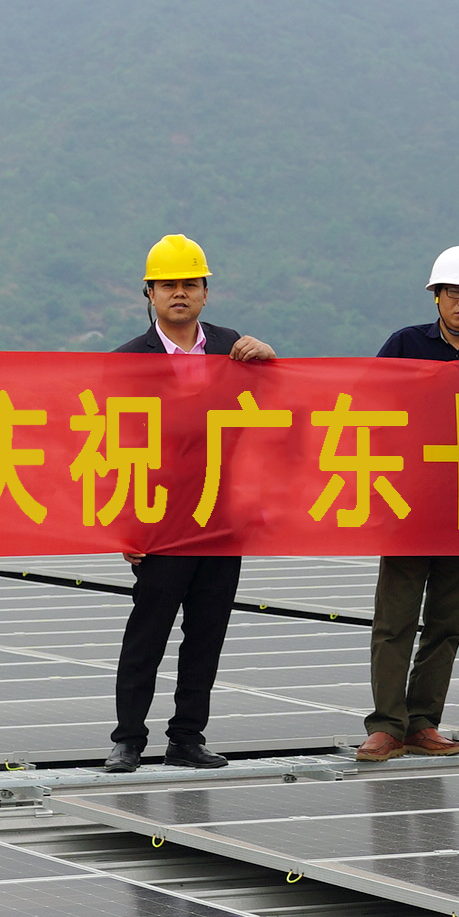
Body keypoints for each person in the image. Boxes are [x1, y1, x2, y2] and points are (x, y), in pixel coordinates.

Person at [99, 234, 274, 773]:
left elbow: (276, 409)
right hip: (160, 520)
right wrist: (124, 524)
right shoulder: (128, 361)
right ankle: (128, 739)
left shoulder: (233, 348)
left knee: (206, 633)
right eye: (168, 284)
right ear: (149, 293)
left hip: (221, 517)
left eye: (190, 284)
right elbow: (110, 446)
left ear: (205, 292)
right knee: (147, 632)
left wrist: (270, 361)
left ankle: (187, 737)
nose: (180, 293)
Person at [359, 247, 459, 763]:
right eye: (454, 292)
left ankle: (423, 721)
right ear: (436, 296)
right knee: (395, 621)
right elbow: (366, 407)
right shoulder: (404, 345)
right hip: (408, 507)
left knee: (446, 624)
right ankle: (387, 725)